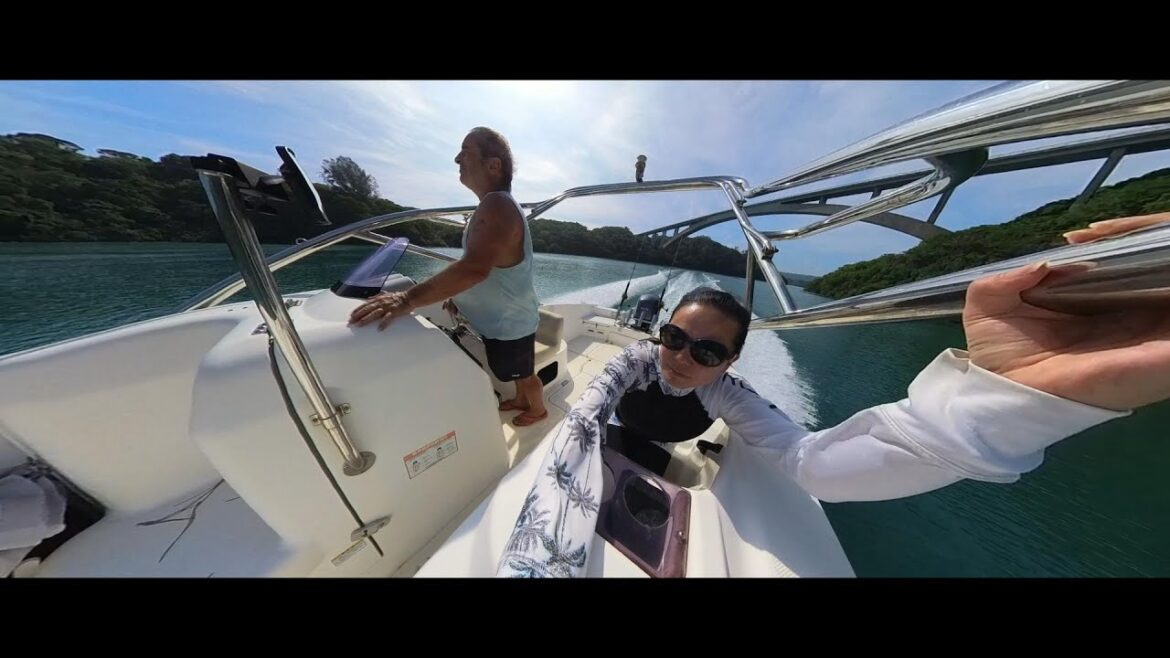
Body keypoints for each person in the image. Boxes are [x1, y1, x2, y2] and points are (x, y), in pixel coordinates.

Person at [496, 212, 1170, 577]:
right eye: (674, 338)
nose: (679, 358)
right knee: (615, 439)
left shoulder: (728, 399)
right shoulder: (635, 364)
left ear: (730, 361)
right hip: (624, 437)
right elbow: (588, 408)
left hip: (666, 446)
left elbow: (815, 465)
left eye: (705, 352)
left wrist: (1006, 404)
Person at [348, 127, 548, 426]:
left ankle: (537, 409)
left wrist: (406, 299)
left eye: (465, 151)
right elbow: (482, 265)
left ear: (493, 165)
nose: (457, 158)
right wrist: (459, 296)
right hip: (503, 320)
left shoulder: (497, 205)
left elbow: (473, 269)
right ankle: (520, 399)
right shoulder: (493, 204)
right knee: (510, 371)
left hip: (511, 323)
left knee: (524, 373)